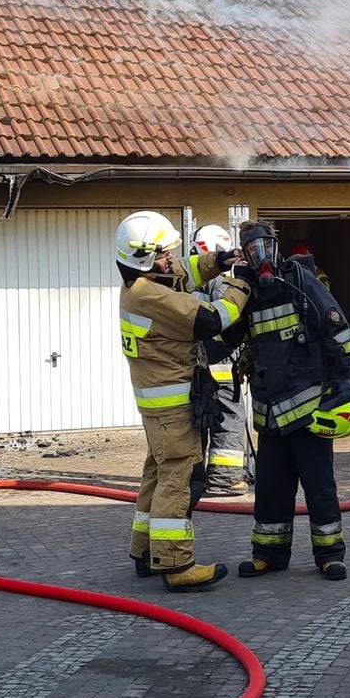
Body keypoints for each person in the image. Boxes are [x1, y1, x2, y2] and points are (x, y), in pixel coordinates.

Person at [115, 211, 249, 589]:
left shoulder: (141, 282)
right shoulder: (153, 297)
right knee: (181, 477)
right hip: (173, 406)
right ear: (145, 257)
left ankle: (145, 551)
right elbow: (213, 319)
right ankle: (175, 564)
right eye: (163, 253)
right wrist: (242, 283)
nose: (170, 258)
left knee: (157, 473)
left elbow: (183, 271)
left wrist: (218, 261)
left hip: (157, 405)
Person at [233, 221, 350, 582]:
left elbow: (341, 335)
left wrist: (341, 387)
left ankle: (330, 555)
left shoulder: (301, 281)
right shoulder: (246, 292)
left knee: (319, 486)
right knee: (270, 488)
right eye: (252, 250)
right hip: (270, 413)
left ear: (276, 246)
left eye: (265, 246)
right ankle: (268, 554)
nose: (261, 256)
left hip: (309, 410)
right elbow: (223, 339)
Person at [191, 221, 253, 497]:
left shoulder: (185, 282)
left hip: (194, 368)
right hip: (221, 366)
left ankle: (192, 478)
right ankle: (225, 480)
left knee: (196, 422)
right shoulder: (218, 284)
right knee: (228, 418)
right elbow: (229, 321)